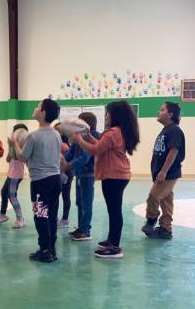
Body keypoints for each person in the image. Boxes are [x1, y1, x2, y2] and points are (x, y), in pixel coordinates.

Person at [72, 101, 140, 259]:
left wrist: (79, 140)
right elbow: (101, 146)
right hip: (117, 175)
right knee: (113, 210)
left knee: (115, 211)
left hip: (114, 176)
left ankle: (115, 247)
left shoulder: (113, 132)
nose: (105, 116)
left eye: (107, 113)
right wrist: (88, 136)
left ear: (115, 115)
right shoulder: (116, 132)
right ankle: (111, 240)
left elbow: (95, 150)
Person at [9, 98, 61, 263]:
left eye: (38, 106)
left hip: (40, 183)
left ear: (43, 113)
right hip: (55, 180)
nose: (35, 108)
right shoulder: (56, 134)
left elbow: (22, 157)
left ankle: (45, 250)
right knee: (51, 215)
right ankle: (51, 248)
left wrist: (15, 143)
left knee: (40, 215)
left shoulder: (33, 136)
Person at [141, 102, 185, 239]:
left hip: (169, 173)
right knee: (166, 200)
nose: (158, 112)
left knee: (153, 196)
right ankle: (166, 229)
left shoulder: (174, 130)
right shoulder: (166, 130)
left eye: (162, 110)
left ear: (170, 114)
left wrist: (164, 171)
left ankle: (151, 220)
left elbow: (174, 150)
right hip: (164, 173)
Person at [66, 112, 100, 241]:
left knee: (86, 203)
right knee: (79, 202)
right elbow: (70, 153)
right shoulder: (78, 138)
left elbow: (85, 158)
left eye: (78, 122)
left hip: (88, 175)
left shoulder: (93, 137)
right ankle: (81, 228)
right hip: (79, 174)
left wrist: (68, 166)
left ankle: (86, 230)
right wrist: (62, 160)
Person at [0, 123, 28, 228]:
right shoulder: (13, 147)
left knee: (12, 196)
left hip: (16, 175)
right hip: (11, 174)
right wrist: (10, 147)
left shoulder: (22, 147)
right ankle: (2, 214)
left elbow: (20, 157)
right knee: (4, 192)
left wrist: (15, 145)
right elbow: (8, 159)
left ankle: (20, 218)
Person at [54, 122, 73, 228]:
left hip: (66, 172)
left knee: (65, 195)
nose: (55, 131)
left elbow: (67, 159)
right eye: (55, 129)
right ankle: (54, 218)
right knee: (55, 195)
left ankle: (65, 219)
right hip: (57, 171)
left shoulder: (65, 144)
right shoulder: (54, 142)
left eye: (58, 130)